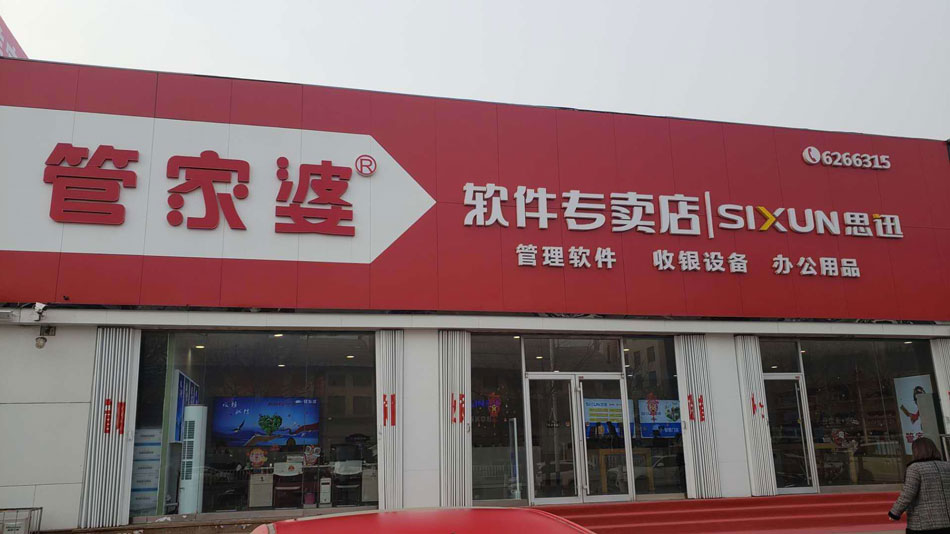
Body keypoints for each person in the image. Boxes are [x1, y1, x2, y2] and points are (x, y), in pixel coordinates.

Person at [889, 437, 950, 533]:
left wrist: (894, 512)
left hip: (923, 523)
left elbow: (908, 493)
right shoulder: (947, 466)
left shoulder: (915, 468)